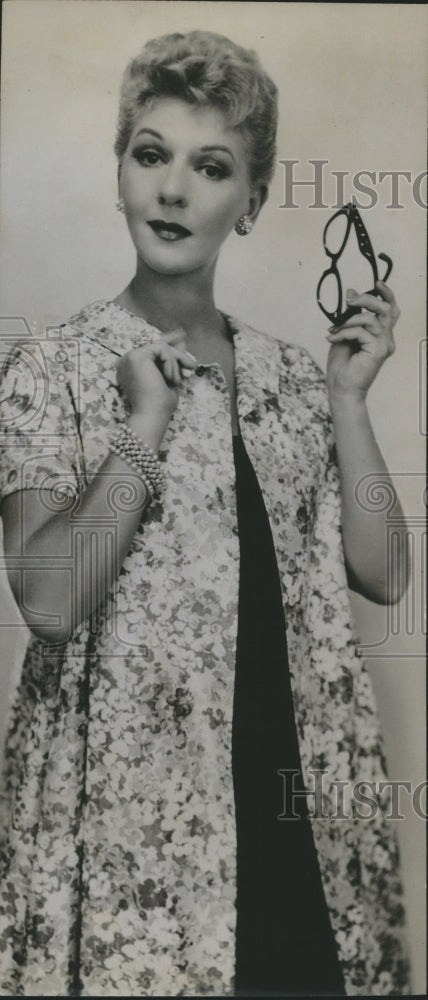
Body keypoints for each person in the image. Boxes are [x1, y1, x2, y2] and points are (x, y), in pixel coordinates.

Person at [0, 30, 411, 998]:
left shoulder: (290, 382)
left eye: (210, 165)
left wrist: (348, 400)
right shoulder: (51, 370)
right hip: (132, 840)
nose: (173, 190)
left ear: (251, 201)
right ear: (119, 175)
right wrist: (142, 428)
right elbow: (51, 602)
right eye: (150, 155)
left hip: (293, 818)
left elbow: (384, 571)